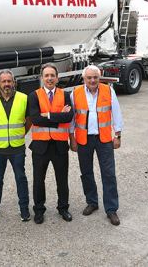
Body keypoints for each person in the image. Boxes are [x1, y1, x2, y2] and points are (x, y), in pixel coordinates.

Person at [70, 65, 123, 226]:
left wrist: (118, 135)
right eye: (89, 78)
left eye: (95, 77)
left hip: (104, 139)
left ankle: (111, 209)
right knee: (86, 172)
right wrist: (71, 137)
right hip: (83, 139)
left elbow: (116, 113)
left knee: (108, 174)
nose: (92, 80)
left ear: (99, 78)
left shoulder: (108, 91)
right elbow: (72, 117)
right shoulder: (76, 93)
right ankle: (92, 202)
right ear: (84, 79)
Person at [28, 63, 74, 224]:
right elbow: (35, 119)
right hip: (40, 147)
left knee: (62, 179)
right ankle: (39, 210)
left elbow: (68, 117)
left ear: (57, 77)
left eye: (52, 75)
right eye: (46, 75)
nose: (49, 78)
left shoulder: (65, 95)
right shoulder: (34, 95)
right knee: (38, 180)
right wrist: (56, 117)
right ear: (42, 78)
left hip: (60, 146)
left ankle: (63, 208)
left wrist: (46, 116)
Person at [0, 69, 30, 222]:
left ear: (14, 82)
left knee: (21, 178)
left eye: (9, 81)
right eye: (3, 81)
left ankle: (24, 209)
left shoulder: (23, 98)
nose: (6, 84)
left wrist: (23, 132)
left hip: (17, 147)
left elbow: (29, 118)